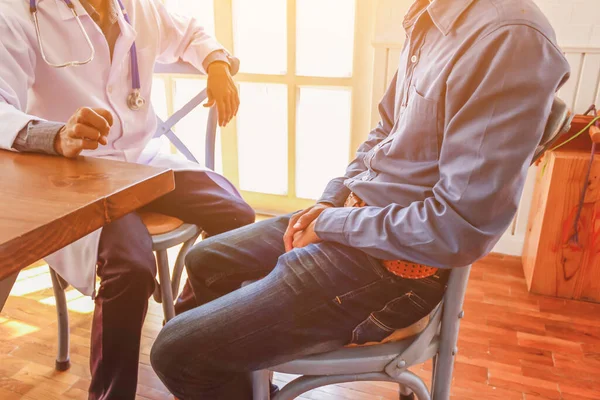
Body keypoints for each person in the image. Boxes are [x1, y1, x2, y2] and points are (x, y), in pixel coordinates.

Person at [150, 0, 571, 398]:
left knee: (176, 352)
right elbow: (384, 131)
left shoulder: (510, 38)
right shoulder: (430, 16)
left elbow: (457, 228)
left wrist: (330, 225)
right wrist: (331, 201)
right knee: (204, 260)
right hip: (356, 221)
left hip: (396, 269)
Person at [0, 0, 254, 398]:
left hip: (140, 159)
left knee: (237, 216)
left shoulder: (139, 7)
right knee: (131, 269)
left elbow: (189, 31)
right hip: (75, 173)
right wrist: (54, 134)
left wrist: (217, 62)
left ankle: (186, 330)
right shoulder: (19, 13)